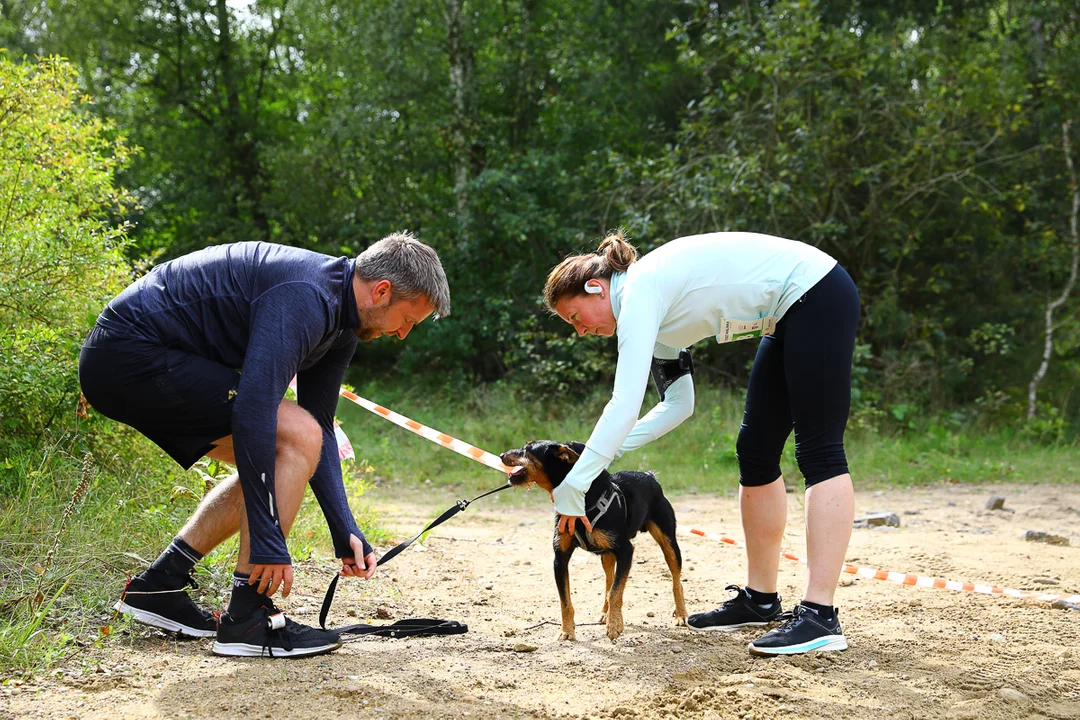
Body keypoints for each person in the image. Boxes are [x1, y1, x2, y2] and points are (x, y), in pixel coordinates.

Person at [79, 232, 450, 658]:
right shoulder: (306, 294)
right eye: (407, 320)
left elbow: (321, 427)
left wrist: (342, 525)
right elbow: (255, 410)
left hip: (138, 360)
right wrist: (270, 542)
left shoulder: (343, 323)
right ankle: (248, 617)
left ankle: (159, 585)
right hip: (127, 355)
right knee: (292, 435)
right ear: (382, 291)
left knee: (294, 443)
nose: (403, 334)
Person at [542, 230, 859, 656]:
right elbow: (678, 404)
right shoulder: (653, 316)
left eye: (575, 316)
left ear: (596, 287)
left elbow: (623, 404)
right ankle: (760, 601)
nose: (580, 331)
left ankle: (820, 616)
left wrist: (576, 482)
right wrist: (600, 457)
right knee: (756, 452)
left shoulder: (638, 291)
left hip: (816, 292)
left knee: (818, 450)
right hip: (788, 312)